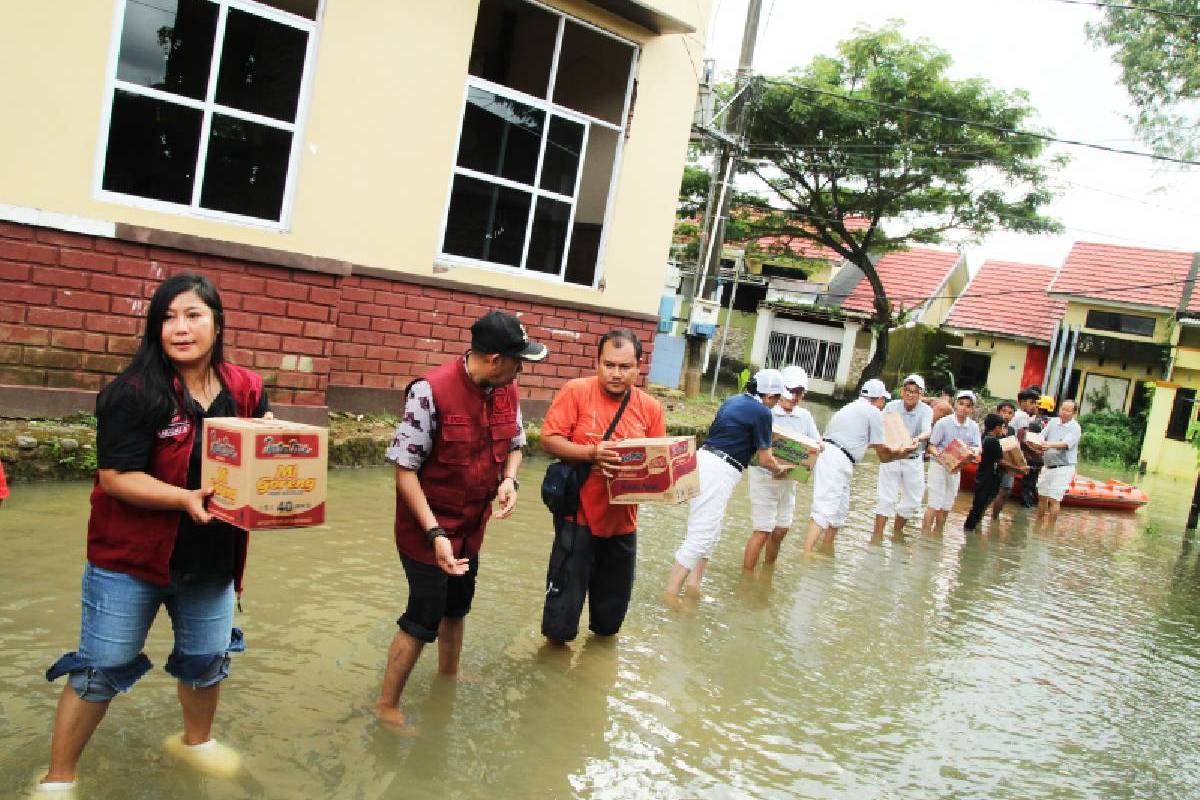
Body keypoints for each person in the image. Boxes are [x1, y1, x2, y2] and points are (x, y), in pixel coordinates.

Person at [40, 274, 270, 790]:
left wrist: (276, 445)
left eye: (193, 315)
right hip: (130, 561)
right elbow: (115, 477)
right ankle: (59, 777)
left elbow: (261, 443)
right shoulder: (133, 393)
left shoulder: (246, 388)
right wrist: (184, 499)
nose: (181, 328)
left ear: (217, 321)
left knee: (207, 661)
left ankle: (195, 742)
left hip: (212, 558)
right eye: (168, 317)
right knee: (100, 669)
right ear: (154, 327)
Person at [375, 310, 547, 728]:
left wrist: (509, 481)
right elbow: (404, 470)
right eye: (517, 360)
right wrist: (434, 532)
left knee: (457, 605)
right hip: (426, 530)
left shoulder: (508, 389)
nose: (521, 368)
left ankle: (448, 674)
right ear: (492, 359)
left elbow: (517, 444)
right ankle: (385, 705)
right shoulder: (429, 393)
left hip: (471, 527)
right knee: (424, 613)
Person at [539, 329, 665, 644]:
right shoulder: (575, 391)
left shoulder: (651, 409)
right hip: (577, 520)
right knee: (559, 627)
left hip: (623, 526)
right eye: (609, 365)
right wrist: (591, 454)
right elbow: (548, 439)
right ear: (597, 362)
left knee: (608, 626)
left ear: (639, 366)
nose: (616, 374)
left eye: (625, 367)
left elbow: (660, 463)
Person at [665, 369, 792, 596]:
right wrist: (782, 469)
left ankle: (694, 587)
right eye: (777, 398)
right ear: (770, 396)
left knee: (710, 532)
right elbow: (765, 459)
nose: (776, 403)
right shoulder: (763, 412)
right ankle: (671, 592)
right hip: (720, 470)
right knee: (702, 534)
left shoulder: (733, 401)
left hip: (703, 460)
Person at [805, 379, 915, 553]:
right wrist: (904, 452)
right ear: (877, 399)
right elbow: (883, 455)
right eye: (883, 400)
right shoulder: (873, 412)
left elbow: (861, 442)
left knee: (839, 512)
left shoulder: (851, 407)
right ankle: (807, 553)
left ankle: (826, 549)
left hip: (833, 456)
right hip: (837, 459)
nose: (883, 404)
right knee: (824, 509)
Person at [744, 365, 822, 570]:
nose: (795, 397)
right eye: (791, 391)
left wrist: (817, 447)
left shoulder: (804, 416)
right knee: (763, 530)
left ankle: (767, 571)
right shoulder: (766, 411)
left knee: (781, 529)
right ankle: (748, 576)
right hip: (764, 478)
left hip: (788, 481)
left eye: (799, 392)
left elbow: (817, 442)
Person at [872, 374, 933, 540]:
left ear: (921, 394)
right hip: (892, 457)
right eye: (908, 390)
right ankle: (877, 536)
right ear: (902, 391)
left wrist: (918, 438)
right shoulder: (891, 406)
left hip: (913, 458)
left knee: (913, 500)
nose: (911, 394)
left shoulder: (926, 410)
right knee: (886, 498)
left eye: (915, 392)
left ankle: (896, 533)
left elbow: (927, 430)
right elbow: (880, 425)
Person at [922, 389, 982, 535]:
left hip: (956, 469)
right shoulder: (943, 423)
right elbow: (931, 446)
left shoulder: (973, 426)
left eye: (968, 405)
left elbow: (977, 446)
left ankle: (937, 536)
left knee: (947, 505)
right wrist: (942, 457)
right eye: (961, 404)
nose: (964, 408)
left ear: (972, 409)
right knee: (934, 503)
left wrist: (974, 452)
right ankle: (924, 538)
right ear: (955, 404)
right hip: (939, 466)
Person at [1030, 399, 1082, 524]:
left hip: (1063, 468)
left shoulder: (1075, 428)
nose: (1064, 412)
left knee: (1054, 499)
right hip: (1047, 465)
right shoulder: (1053, 422)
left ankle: (1049, 529)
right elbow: (1042, 435)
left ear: (1074, 413)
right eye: (1062, 409)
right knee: (1042, 497)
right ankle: (1038, 524)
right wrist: (1036, 443)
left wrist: (1048, 445)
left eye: (1068, 411)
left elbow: (1065, 444)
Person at [964, 413, 1009, 531]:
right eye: (1002, 427)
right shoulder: (993, 441)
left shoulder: (984, 438)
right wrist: (1019, 469)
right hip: (989, 478)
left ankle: (970, 530)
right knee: (980, 507)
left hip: (982, 476)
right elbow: (1001, 461)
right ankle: (970, 530)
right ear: (997, 428)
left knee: (978, 506)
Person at [1016, 389, 1047, 507]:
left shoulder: (1020, 415)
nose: (1034, 406)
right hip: (1031, 456)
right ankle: (1027, 507)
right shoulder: (1025, 417)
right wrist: (1037, 454)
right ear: (1023, 402)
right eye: (1032, 402)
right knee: (1029, 485)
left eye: (1035, 403)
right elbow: (1022, 442)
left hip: (1028, 455)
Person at [988, 399, 1018, 518]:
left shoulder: (1011, 430)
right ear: (998, 412)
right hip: (994, 463)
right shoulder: (991, 427)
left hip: (1008, 464)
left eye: (1010, 413)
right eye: (1004, 412)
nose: (1006, 415)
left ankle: (994, 517)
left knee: (1006, 490)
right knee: (990, 492)